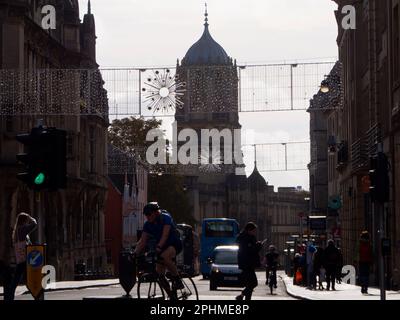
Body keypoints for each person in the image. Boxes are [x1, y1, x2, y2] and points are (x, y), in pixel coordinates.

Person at [134, 202, 183, 295]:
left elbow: (165, 235)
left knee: (164, 256)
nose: (147, 217)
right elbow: (142, 241)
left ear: (156, 213)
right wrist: (135, 253)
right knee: (159, 275)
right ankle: (171, 295)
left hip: (174, 243)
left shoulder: (166, 218)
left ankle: (177, 279)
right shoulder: (147, 225)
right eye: (145, 215)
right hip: (161, 247)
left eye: (149, 214)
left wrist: (158, 247)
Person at [10, 212, 37, 300]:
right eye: (26, 220)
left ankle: (10, 295)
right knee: (27, 278)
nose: (27, 222)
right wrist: (30, 217)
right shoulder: (22, 229)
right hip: (25, 258)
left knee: (18, 278)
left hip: (20, 258)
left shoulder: (17, 231)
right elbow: (34, 224)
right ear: (24, 221)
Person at [235, 222, 262, 300]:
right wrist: (258, 246)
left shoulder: (250, 237)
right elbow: (249, 250)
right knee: (253, 283)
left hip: (249, 264)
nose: (254, 232)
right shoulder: (244, 238)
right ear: (249, 230)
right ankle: (241, 295)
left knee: (250, 284)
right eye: (253, 230)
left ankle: (243, 297)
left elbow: (252, 248)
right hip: (246, 264)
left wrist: (257, 245)